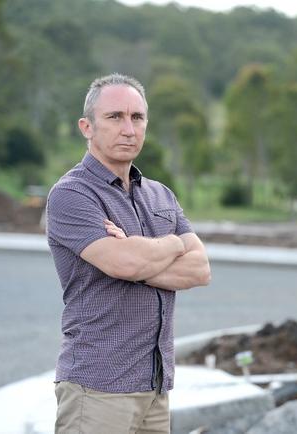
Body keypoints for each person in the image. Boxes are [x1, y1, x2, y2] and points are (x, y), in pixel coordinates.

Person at [46, 73, 211, 433]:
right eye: (114, 117)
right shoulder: (72, 195)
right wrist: (173, 244)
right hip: (97, 390)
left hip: (155, 387)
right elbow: (123, 262)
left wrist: (137, 258)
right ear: (87, 127)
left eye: (137, 118)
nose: (128, 129)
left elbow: (200, 270)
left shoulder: (160, 195)